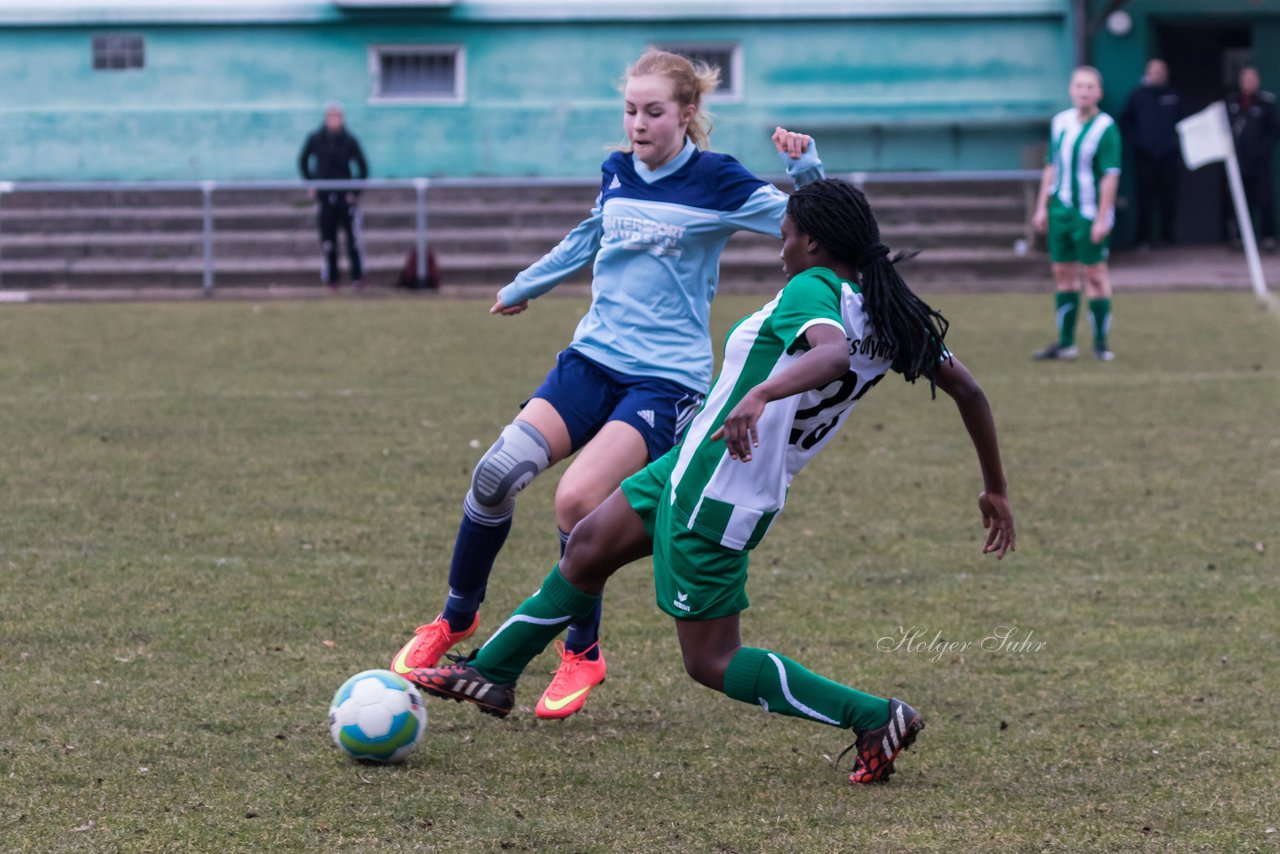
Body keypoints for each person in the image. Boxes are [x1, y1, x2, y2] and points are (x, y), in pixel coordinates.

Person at [405, 178, 1015, 786]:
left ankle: (875, 717)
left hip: (720, 483)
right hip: (696, 463)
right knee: (589, 543)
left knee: (712, 659)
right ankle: (493, 672)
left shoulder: (814, 286)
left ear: (815, 243)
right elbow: (969, 388)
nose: (781, 249)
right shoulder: (888, 313)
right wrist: (996, 489)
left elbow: (828, 355)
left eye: (787, 237)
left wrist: (761, 393)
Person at [390, 49, 826, 720]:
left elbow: (816, 226)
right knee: (496, 474)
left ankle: (580, 652)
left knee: (577, 502)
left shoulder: (718, 181)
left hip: (663, 381)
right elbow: (589, 235)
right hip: (591, 360)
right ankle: (455, 619)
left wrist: (806, 169)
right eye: (630, 111)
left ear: (686, 114)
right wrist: (523, 285)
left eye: (653, 112)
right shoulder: (618, 171)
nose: (638, 125)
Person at [1032, 66, 1122, 362]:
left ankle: (1100, 344)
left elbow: (1110, 174)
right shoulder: (1060, 123)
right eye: (1079, 86)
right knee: (1062, 273)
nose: (1084, 91)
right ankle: (1066, 343)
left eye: (1090, 87)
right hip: (1060, 209)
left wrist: (1102, 217)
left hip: (1088, 211)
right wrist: (1041, 206)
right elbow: (1051, 165)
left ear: (1099, 92)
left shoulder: (1105, 127)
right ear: (1071, 89)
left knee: (1095, 273)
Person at [298, 101, 369, 289]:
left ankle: (357, 277)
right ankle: (332, 278)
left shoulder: (349, 140)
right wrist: (312, 182)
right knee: (328, 240)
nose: (334, 120)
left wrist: (354, 192)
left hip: (344, 198)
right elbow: (303, 160)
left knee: (353, 239)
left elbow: (363, 167)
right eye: (330, 116)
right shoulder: (315, 138)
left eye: (337, 116)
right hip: (324, 196)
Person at [1120, 59, 1184, 249]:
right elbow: (1125, 122)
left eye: (1161, 71)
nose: (1158, 74)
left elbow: (1186, 121)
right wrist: (1139, 143)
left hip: (1169, 157)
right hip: (1145, 158)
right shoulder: (1138, 95)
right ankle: (1142, 239)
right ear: (1148, 73)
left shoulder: (1174, 95)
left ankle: (1168, 238)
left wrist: (1175, 143)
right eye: (1154, 71)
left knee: (1169, 198)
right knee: (1145, 199)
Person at [1226, 67, 1279, 252]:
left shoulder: (1266, 103)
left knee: (1265, 200)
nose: (1249, 82)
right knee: (1240, 201)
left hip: (1261, 163)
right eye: (1246, 79)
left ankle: (1267, 237)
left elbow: (1274, 130)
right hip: (1238, 162)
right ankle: (1239, 237)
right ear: (1241, 81)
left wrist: (1263, 150)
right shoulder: (1232, 102)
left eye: (1253, 79)